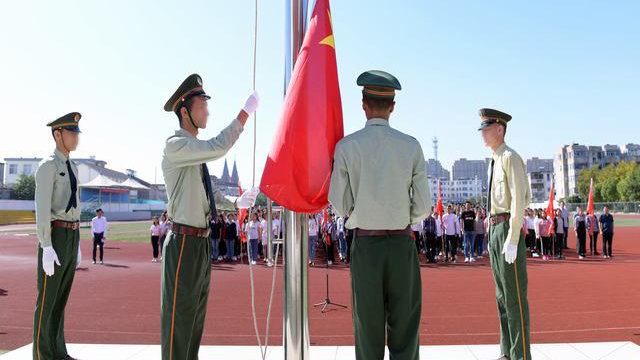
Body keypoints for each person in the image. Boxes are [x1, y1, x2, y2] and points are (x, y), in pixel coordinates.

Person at [329, 70, 430, 360]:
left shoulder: (347, 146)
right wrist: (402, 215)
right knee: (405, 328)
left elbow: (337, 202)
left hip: (366, 245)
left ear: (363, 105)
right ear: (393, 107)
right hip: (401, 244)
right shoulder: (411, 145)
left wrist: (357, 210)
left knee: (367, 327)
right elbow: (423, 206)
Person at [160, 73, 258, 360]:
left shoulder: (193, 152)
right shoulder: (176, 145)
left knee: (194, 321)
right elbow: (218, 146)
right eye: (202, 104)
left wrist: (234, 202)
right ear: (184, 111)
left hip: (200, 243)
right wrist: (244, 114)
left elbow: (204, 195)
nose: (207, 110)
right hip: (183, 243)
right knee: (179, 322)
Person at [479, 108, 532, 360]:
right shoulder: (494, 160)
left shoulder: (511, 157)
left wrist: (512, 239)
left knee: (515, 298)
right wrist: (491, 233)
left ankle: (520, 355)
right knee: (501, 295)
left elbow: (518, 201)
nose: (482, 133)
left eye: (486, 128)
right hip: (494, 228)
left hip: (507, 228)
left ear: (499, 129)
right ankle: (506, 351)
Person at [33, 112, 83, 360]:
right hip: (55, 236)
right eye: (72, 133)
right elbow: (42, 209)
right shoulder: (47, 166)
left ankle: (58, 351)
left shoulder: (72, 166)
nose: (76, 138)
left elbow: (76, 205)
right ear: (57, 134)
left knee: (61, 299)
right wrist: (46, 245)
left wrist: (79, 243)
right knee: (47, 300)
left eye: (77, 133)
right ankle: (42, 354)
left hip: (71, 236)